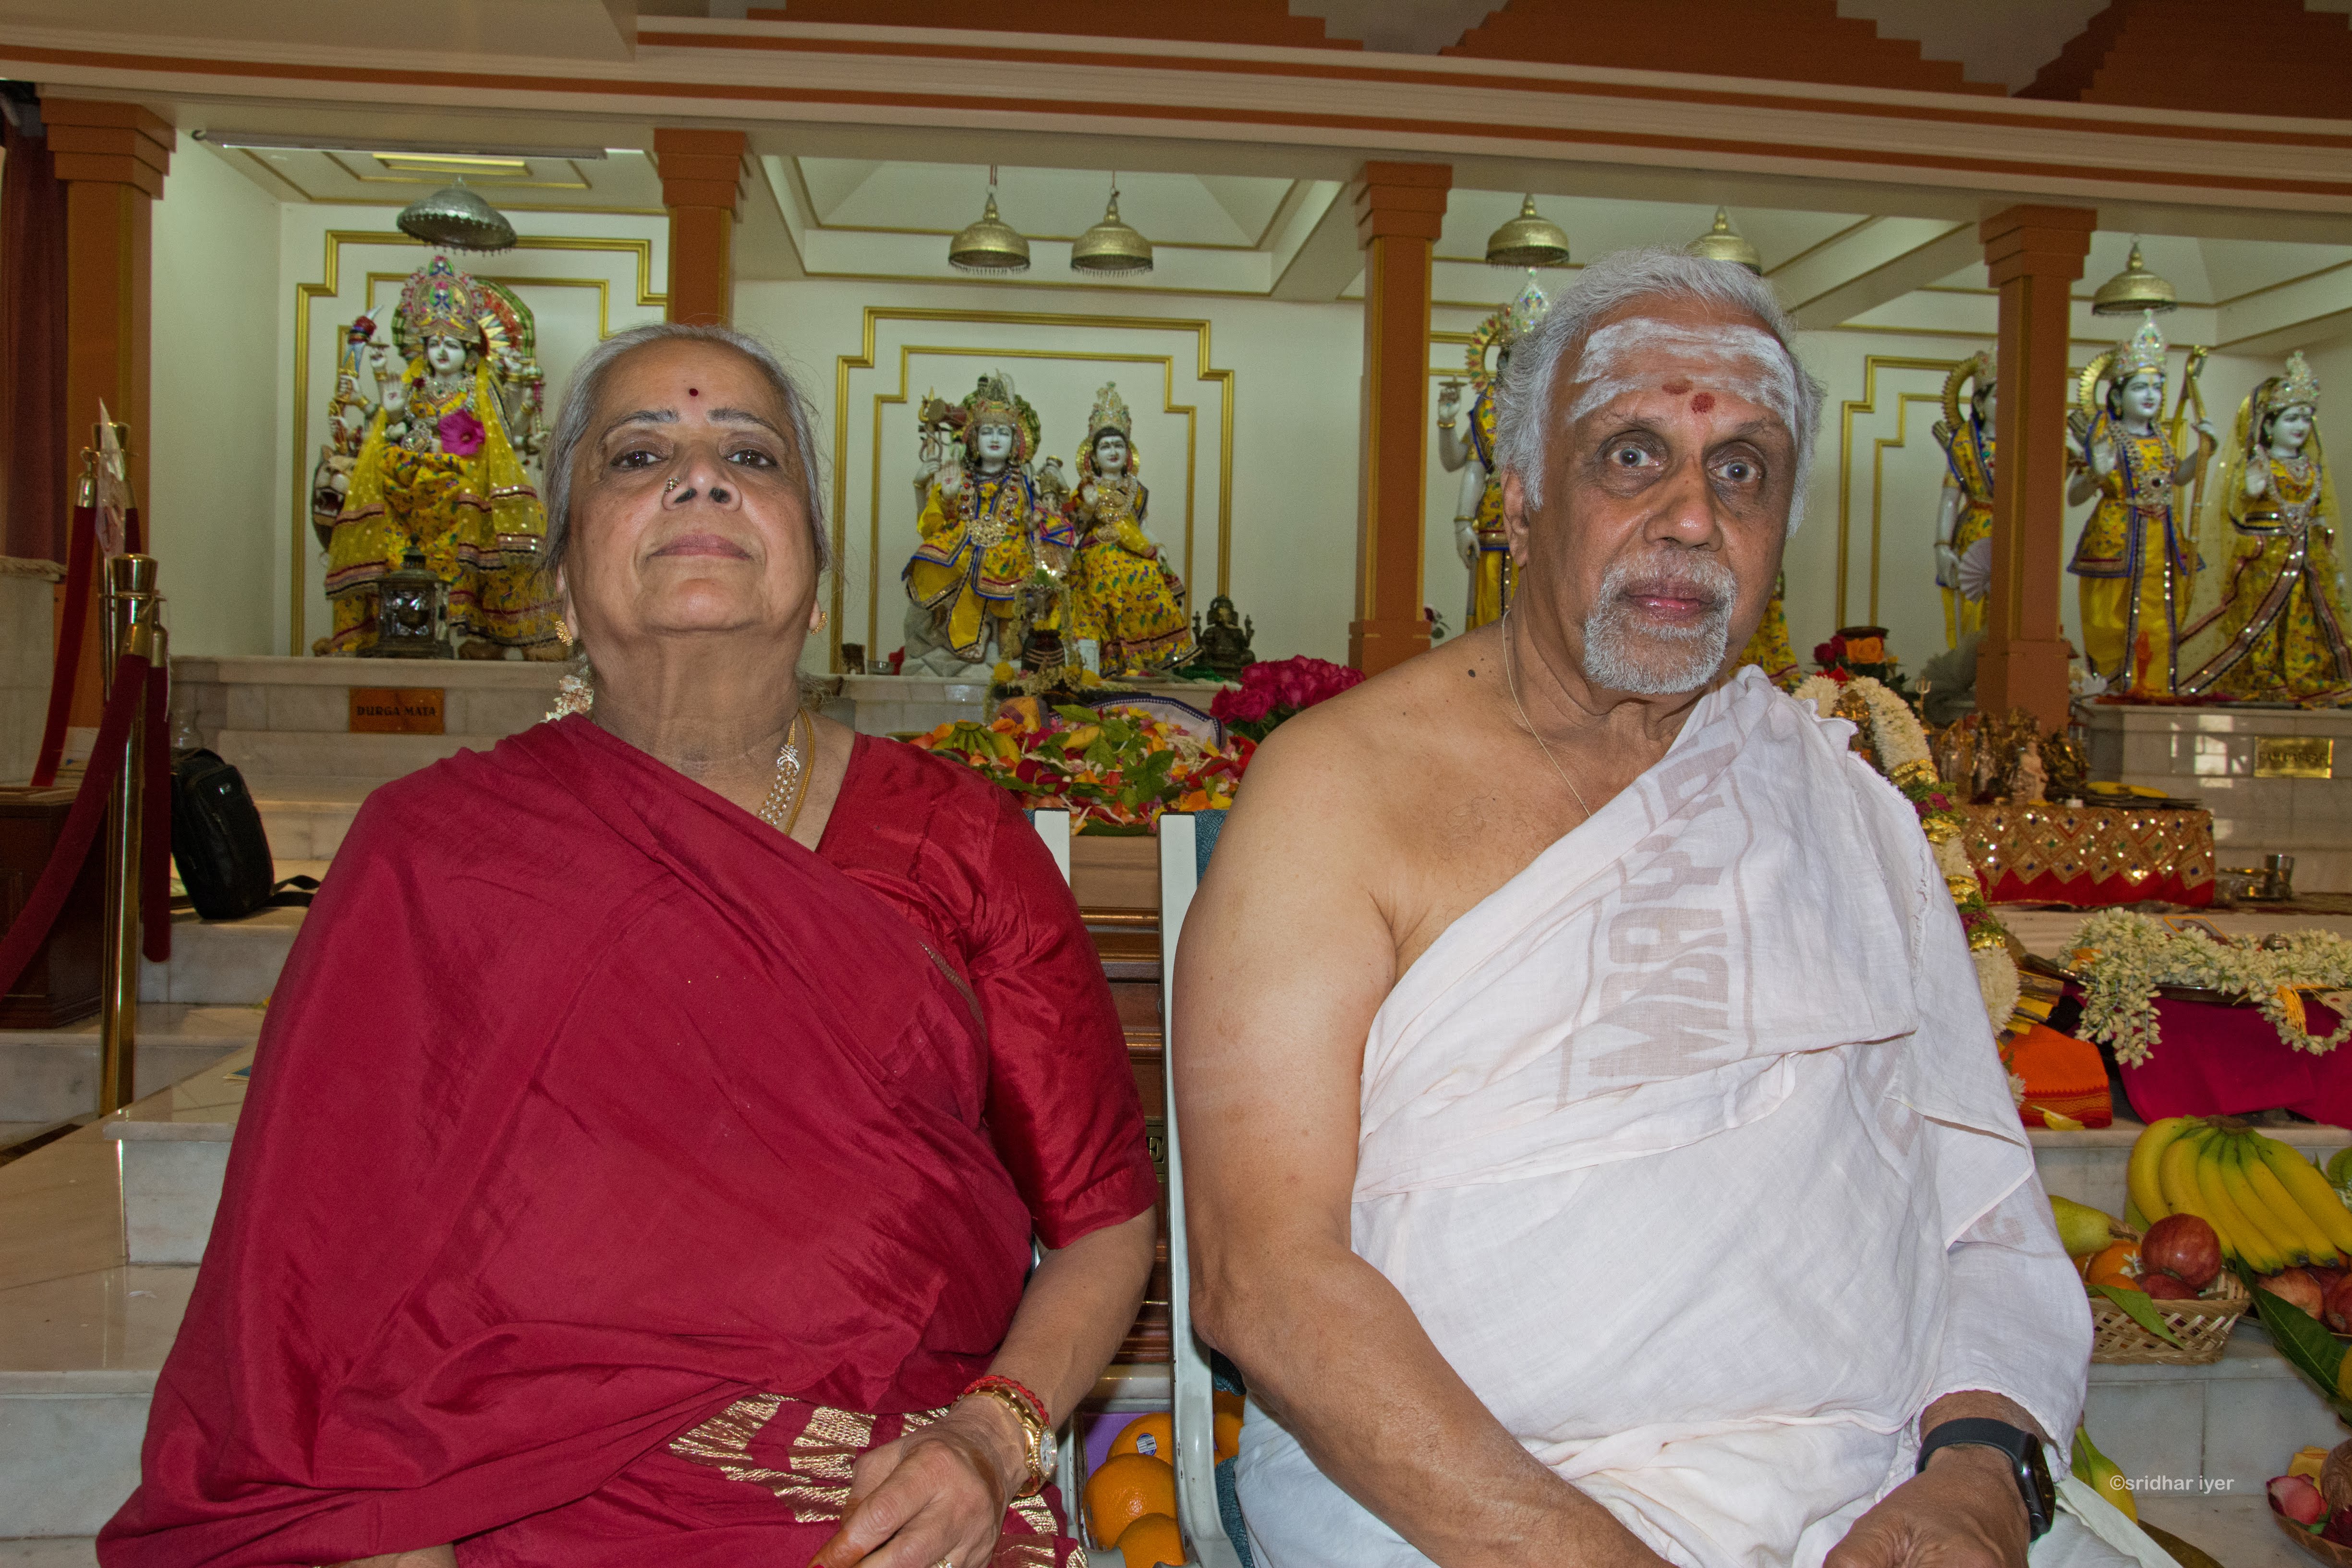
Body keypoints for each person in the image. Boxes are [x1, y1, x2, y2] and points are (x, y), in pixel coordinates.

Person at [101, 323, 1159, 1568]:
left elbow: (1103, 1219)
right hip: (487, 1511)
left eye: (751, 456)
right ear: (559, 582)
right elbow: (306, 1295)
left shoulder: (960, 840)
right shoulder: (432, 855)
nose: (699, 478)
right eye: (639, 456)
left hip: (883, 1496)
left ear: (818, 579)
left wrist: (990, 1436)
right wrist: (392, 1537)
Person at [1175, 250, 2131, 1568]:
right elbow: (1265, 1280)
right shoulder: (1335, 791)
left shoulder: (1846, 811)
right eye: (1632, 457)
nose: (1690, 518)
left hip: (1868, 1488)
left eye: (1740, 470)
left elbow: (1986, 1222)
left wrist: (1976, 1474)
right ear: (1519, 500)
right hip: (1452, 1506)